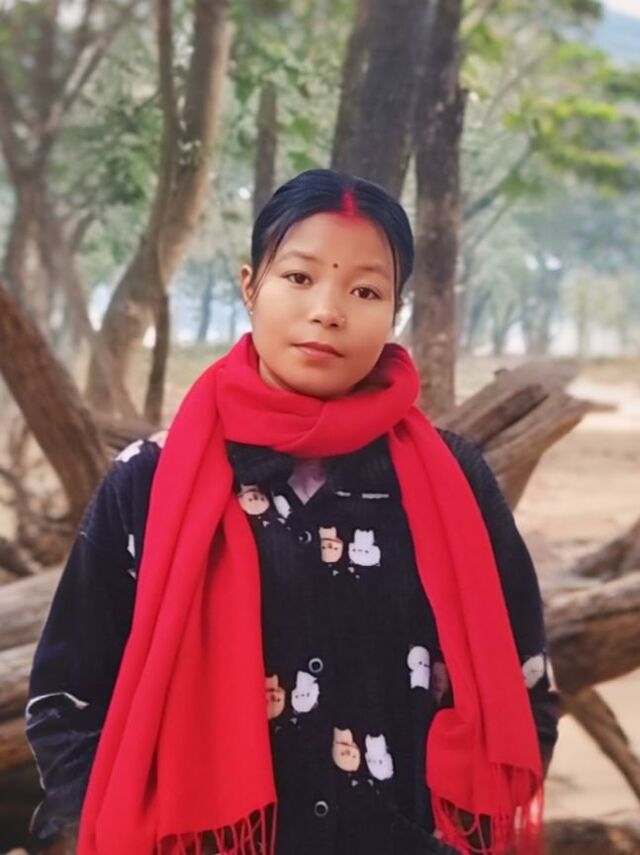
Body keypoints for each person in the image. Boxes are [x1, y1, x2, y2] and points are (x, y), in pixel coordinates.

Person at [25, 168, 560, 855]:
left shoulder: (454, 479)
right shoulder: (149, 480)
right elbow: (64, 699)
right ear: (251, 286)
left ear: (394, 311)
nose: (328, 311)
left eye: (365, 291)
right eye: (300, 277)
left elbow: (523, 689)